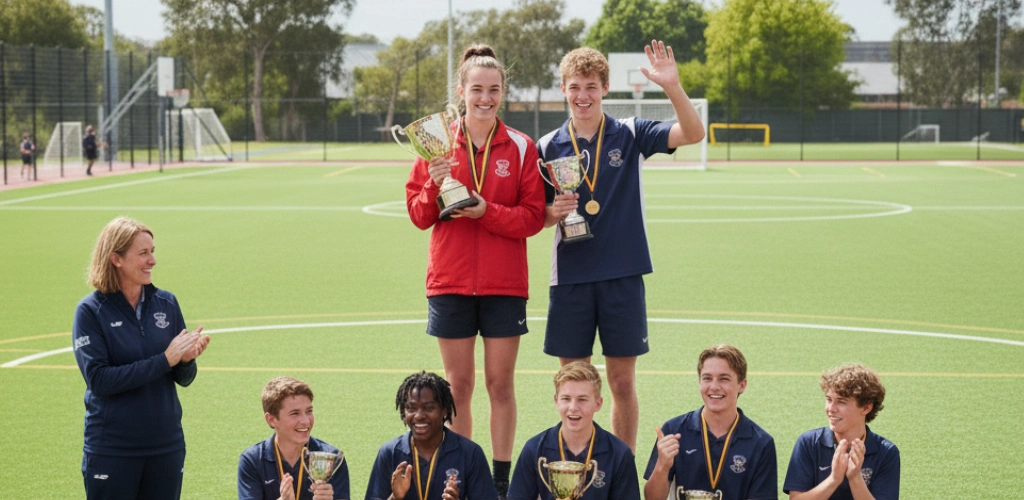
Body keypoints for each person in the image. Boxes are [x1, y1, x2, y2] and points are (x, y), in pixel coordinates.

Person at [536, 41, 705, 453]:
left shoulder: (630, 132)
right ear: (563, 88)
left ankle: (620, 472)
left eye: (591, 86)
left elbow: (694, 133)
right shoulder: (546, 147)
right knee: (574, 383)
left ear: (605, 88)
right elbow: (537, 217)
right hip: (572, 278)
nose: (583, 95)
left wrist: (672, 87)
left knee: (622, 382)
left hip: (622, 276)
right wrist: (553, 213)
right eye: (575, 86)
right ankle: (574, 466)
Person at [405, 44, 546, 497]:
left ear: (502, 92)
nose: (485, 97)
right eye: (477, 89)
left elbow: (531, 218)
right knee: (458, 388)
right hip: (450, 282)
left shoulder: (522, 146)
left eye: (494, 90)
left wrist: (485, 211)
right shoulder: (435, 140)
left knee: (499, 385)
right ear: (461, 92)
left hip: (505, 284)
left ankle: (500, 482)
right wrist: (433, 176)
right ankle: (459, 478)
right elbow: (419, 214)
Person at [72, 216, 211, 500]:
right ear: (116, 259)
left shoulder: (167, 303)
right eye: (143, 253)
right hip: (113, 448)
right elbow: (99, 380)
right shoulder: (90, 312)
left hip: (166, 446)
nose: (153, 261)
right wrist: (165, 359)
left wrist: (186, 360)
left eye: (153, 251)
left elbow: (182, 379)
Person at [643, 345, 777, 500]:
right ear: (699, 382)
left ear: (742, 385)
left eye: (724, 379)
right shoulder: (674, 430)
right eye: (707, 378)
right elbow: (652, 498)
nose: (714, 387)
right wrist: (662, 466)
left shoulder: (761, 442)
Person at [507, 361, 640, 500]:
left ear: (598, 403)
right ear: (556, 401)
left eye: (582, 399)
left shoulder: (619, 454)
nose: (573, 407)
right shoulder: (534, 449)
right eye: (566, 399)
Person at [366, 371, 498, 500]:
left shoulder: (470, 454)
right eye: (411, 408)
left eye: (428, 408)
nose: (418, 415)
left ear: (444, 412)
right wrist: (395, 497)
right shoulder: (390, 453)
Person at [783, 364, 899, 500]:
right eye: (829, 399)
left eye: (841, 402)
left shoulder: (886, 452)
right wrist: (834, 479)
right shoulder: (809, 442)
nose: (831, 409)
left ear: (866, 407)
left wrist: (855, 478)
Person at [238, 376, 350, 500]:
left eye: (309, 411)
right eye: (295, 413)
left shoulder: (331, 458)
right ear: (272, 419)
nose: (306, 421)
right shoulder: (252, 460)